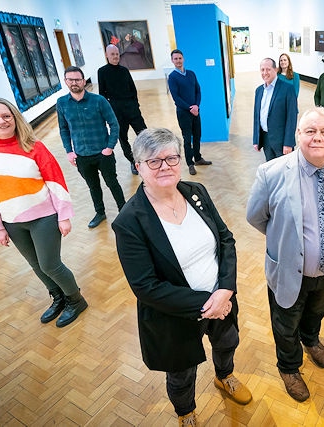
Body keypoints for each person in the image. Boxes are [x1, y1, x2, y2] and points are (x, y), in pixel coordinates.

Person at [112, 128, 252, 426]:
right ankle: (185, 412)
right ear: (138, 166)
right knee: (182, 372)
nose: (165, 166)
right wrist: (209, 303)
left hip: (223, 299)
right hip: (175, 315)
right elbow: (146, 287)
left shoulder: (196, 192)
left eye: (171, 158)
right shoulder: (130, 221)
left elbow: (226, 240)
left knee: (227, 343)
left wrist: (226, 289)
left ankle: (224, 376)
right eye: (154, 161)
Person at [246, 107, 324, 402]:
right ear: (297, 135)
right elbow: (256, 217)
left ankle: (311, 339)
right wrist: (288, 242)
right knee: (285, 323)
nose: (317, 138)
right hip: (288, 269)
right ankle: (289, 366)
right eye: (310, 131)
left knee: (317, 311)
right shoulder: (271, 173)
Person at [0, 97, 88, 328]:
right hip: (12, 221)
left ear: (15, 118)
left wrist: (63, 216)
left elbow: (56, 181)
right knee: (36, 265)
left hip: (43, 217)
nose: (1, 121)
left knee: (49, 264)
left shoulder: (34, 147)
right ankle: (59, 298)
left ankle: (76, 300)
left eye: (6, 116)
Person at [57, 65, 126, 229]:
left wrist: (109, 147)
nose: (74, 82)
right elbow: (63, 129)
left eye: (78, 79)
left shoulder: (99, 100)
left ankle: (124, 211)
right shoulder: (62, 103)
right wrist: (69, 151)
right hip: (81, 156)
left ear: (83, 80)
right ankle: (100, 212)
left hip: (103, 153)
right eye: (70, 79)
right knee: (93, 186)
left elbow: (114, 124)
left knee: (112, 182)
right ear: (66, 81)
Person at [98, 44, 148, 175]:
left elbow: (133, 88)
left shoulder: (124, 70)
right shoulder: (102, 71)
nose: (115, 56)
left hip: (132, 109)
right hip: (116, 112)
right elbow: (102, 94)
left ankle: (148, 158)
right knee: (122, 138)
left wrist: (135, 104)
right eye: (112, 54)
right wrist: (107, 112)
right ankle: (133, 161)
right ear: (107, 55)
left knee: (144, 134)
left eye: (117, 54)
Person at [168, 49, 212, 176]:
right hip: (184, 113)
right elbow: (176, 98)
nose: (178, 61)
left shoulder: (191, 74)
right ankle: (190, 163)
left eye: (180, 58)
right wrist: (190, 108)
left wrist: (196, 106)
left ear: (183, 59)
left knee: (197, 136)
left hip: (195, 111)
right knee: (187, 139)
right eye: (175, 59)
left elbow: (198, 91)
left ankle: (198, 158)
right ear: (172, 61)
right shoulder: (172, 77)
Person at [253, 58, 298, 162]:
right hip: (266, 139)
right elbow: (256, 116)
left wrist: (288, 143)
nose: (265, 73)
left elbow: (292, 118)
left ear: (276, 70)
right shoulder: (259, 90)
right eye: (262, 70)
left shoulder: (288, 89)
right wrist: (256, 139)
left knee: (285, 172)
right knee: (271, 171)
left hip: (282, 142)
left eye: (268, 69)